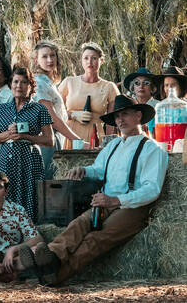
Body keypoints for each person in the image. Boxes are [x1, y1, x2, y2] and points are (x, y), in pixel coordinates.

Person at [18, 95, 168, 285]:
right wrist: (84, 170)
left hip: (133, 207)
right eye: (117, 117)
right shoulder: (113, 145)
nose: (120, 120)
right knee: (79, 224)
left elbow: (152, 189)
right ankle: (51, 257)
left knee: (97, 238)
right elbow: (98, 170)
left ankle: (55, 275)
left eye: (125, 115)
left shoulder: (153, 149)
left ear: (138, 116)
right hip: (105, 202)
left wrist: (116, 201)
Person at [0, 67, 54, 221]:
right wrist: (8, 135)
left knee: (30, 197)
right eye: (16, 81)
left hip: (30, 160)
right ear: (10, 85)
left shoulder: (39, 109)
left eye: (24, 82)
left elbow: (50, 140)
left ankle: (29, 236)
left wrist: (26, 136)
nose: (19, 85)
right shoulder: (1, 109)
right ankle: (3, 234)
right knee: (4, 194)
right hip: (6, 160)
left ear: (30, 86)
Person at [31, 41, 80, 179]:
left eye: (52, 56)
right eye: (44, 56)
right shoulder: (39, 83)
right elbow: (52, 118)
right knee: (48, 181)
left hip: (57, 138)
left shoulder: (49, 82)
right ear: (36, 61)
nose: (49, 60)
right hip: (47, 138)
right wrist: (77, 140)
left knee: (54, 178)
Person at [58, 42, 119, 144]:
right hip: (70, 136)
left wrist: (108, 143)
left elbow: (111, 121)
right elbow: (56, 112)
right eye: (86, 58)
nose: (89, 62)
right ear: (81, 61)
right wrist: (73, 114)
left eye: (94, 58)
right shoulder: (69, 82)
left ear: (101, 61)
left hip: (95, 137)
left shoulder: (109, 87)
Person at [123, 67, 159, 136]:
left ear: (152, 88)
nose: (141, 86)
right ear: (133, 87)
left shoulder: (159, 106)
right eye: (137, 83)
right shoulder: (127, 107)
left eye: (146, 83)